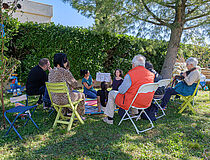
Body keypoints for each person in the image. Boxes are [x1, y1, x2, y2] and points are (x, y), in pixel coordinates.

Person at [103, 54, 155, 124]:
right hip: (146, 102)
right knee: (135, 93)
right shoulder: (151, 75)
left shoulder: (130, 75)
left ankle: (109, 119)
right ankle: (136, 115)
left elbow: (121, 91)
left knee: (111, 93)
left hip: (131, 101)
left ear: (133, 65)